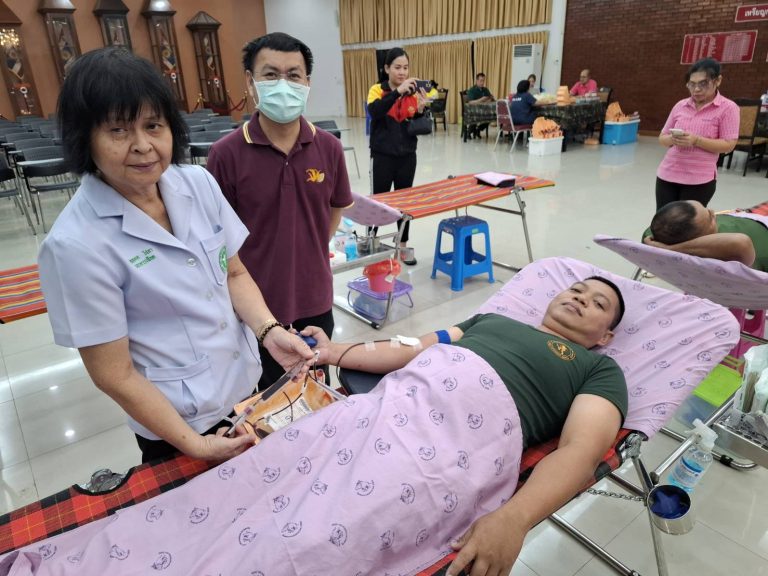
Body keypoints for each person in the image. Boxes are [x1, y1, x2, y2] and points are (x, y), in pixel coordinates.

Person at [3, 278, 626, 576]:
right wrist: (334, 351)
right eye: (576, 289)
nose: (580, 299)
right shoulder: (495, 323)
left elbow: (579, 451)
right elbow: (410, 348)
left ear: (606, 334)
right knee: (240, 485)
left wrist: (513, 518)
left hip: (444, 453)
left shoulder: (599, 372)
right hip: (373, 414)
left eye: (598, 303)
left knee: (306, 539)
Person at [38, 47, 314, 464]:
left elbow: (234, 274)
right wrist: (194, 444)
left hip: (245, 384)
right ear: (85, 139)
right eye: (118, 130)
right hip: (178, 421)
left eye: (153, 125)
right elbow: (114, 374)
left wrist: (268, 330)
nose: (143, 146)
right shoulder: (75, 244)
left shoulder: (197, 183)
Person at [206, 33, 353, 389]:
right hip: (256, 307)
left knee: (315, 389)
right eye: (271, 75)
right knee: (268, 398)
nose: (283, 85)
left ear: (307, 83)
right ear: (250, 81)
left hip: (315, 297)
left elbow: (334, 210)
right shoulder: (226, 154)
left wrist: (307, 248)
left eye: (293, 75)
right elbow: (218, 240)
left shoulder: (329, 148)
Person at [367, 47, 429, 266]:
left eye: (405, 68)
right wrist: (397, 92)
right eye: (397, 67)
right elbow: (374, 112)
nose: (402, 72)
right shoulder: (377, 89)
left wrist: (421, 110)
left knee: (405, 204)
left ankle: (402, 245)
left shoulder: (413, 92)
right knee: (378, 201)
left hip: (407, 156)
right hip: (382, 156)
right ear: (387, 68)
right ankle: (371, 241)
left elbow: (416, 124)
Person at [655, 58, 739, 210]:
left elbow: (729, 144)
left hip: (699, 179)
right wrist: (672, 139)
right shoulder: (680, 105)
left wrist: (696, 140)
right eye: (692, 84)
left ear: (718, 80)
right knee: (663, 219)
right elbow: (662, 138)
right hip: (668, 174)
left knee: (688, 222)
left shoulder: (728, 108)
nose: (697, 90)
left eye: (703, 84)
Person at [643, 200, 768, 272]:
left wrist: (668, 249)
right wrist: (670, 249)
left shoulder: (656, 237)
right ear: (700, 238)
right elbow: (741, 242)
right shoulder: (733, 252)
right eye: (710, 217)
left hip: (746, 216)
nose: (713, 212)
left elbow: (652, 230)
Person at [466, 72, 494, 138]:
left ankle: (478, 129)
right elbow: (470, 102)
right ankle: (469, 132)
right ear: (477, 80)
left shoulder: (485, 89)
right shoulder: (472, 90)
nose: (482, 82)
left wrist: (489, 99)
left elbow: (490, 99)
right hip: (474, 110)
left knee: (492, 115)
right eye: (481, 80)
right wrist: (482, 99)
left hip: (484, 110)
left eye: (483, 81)